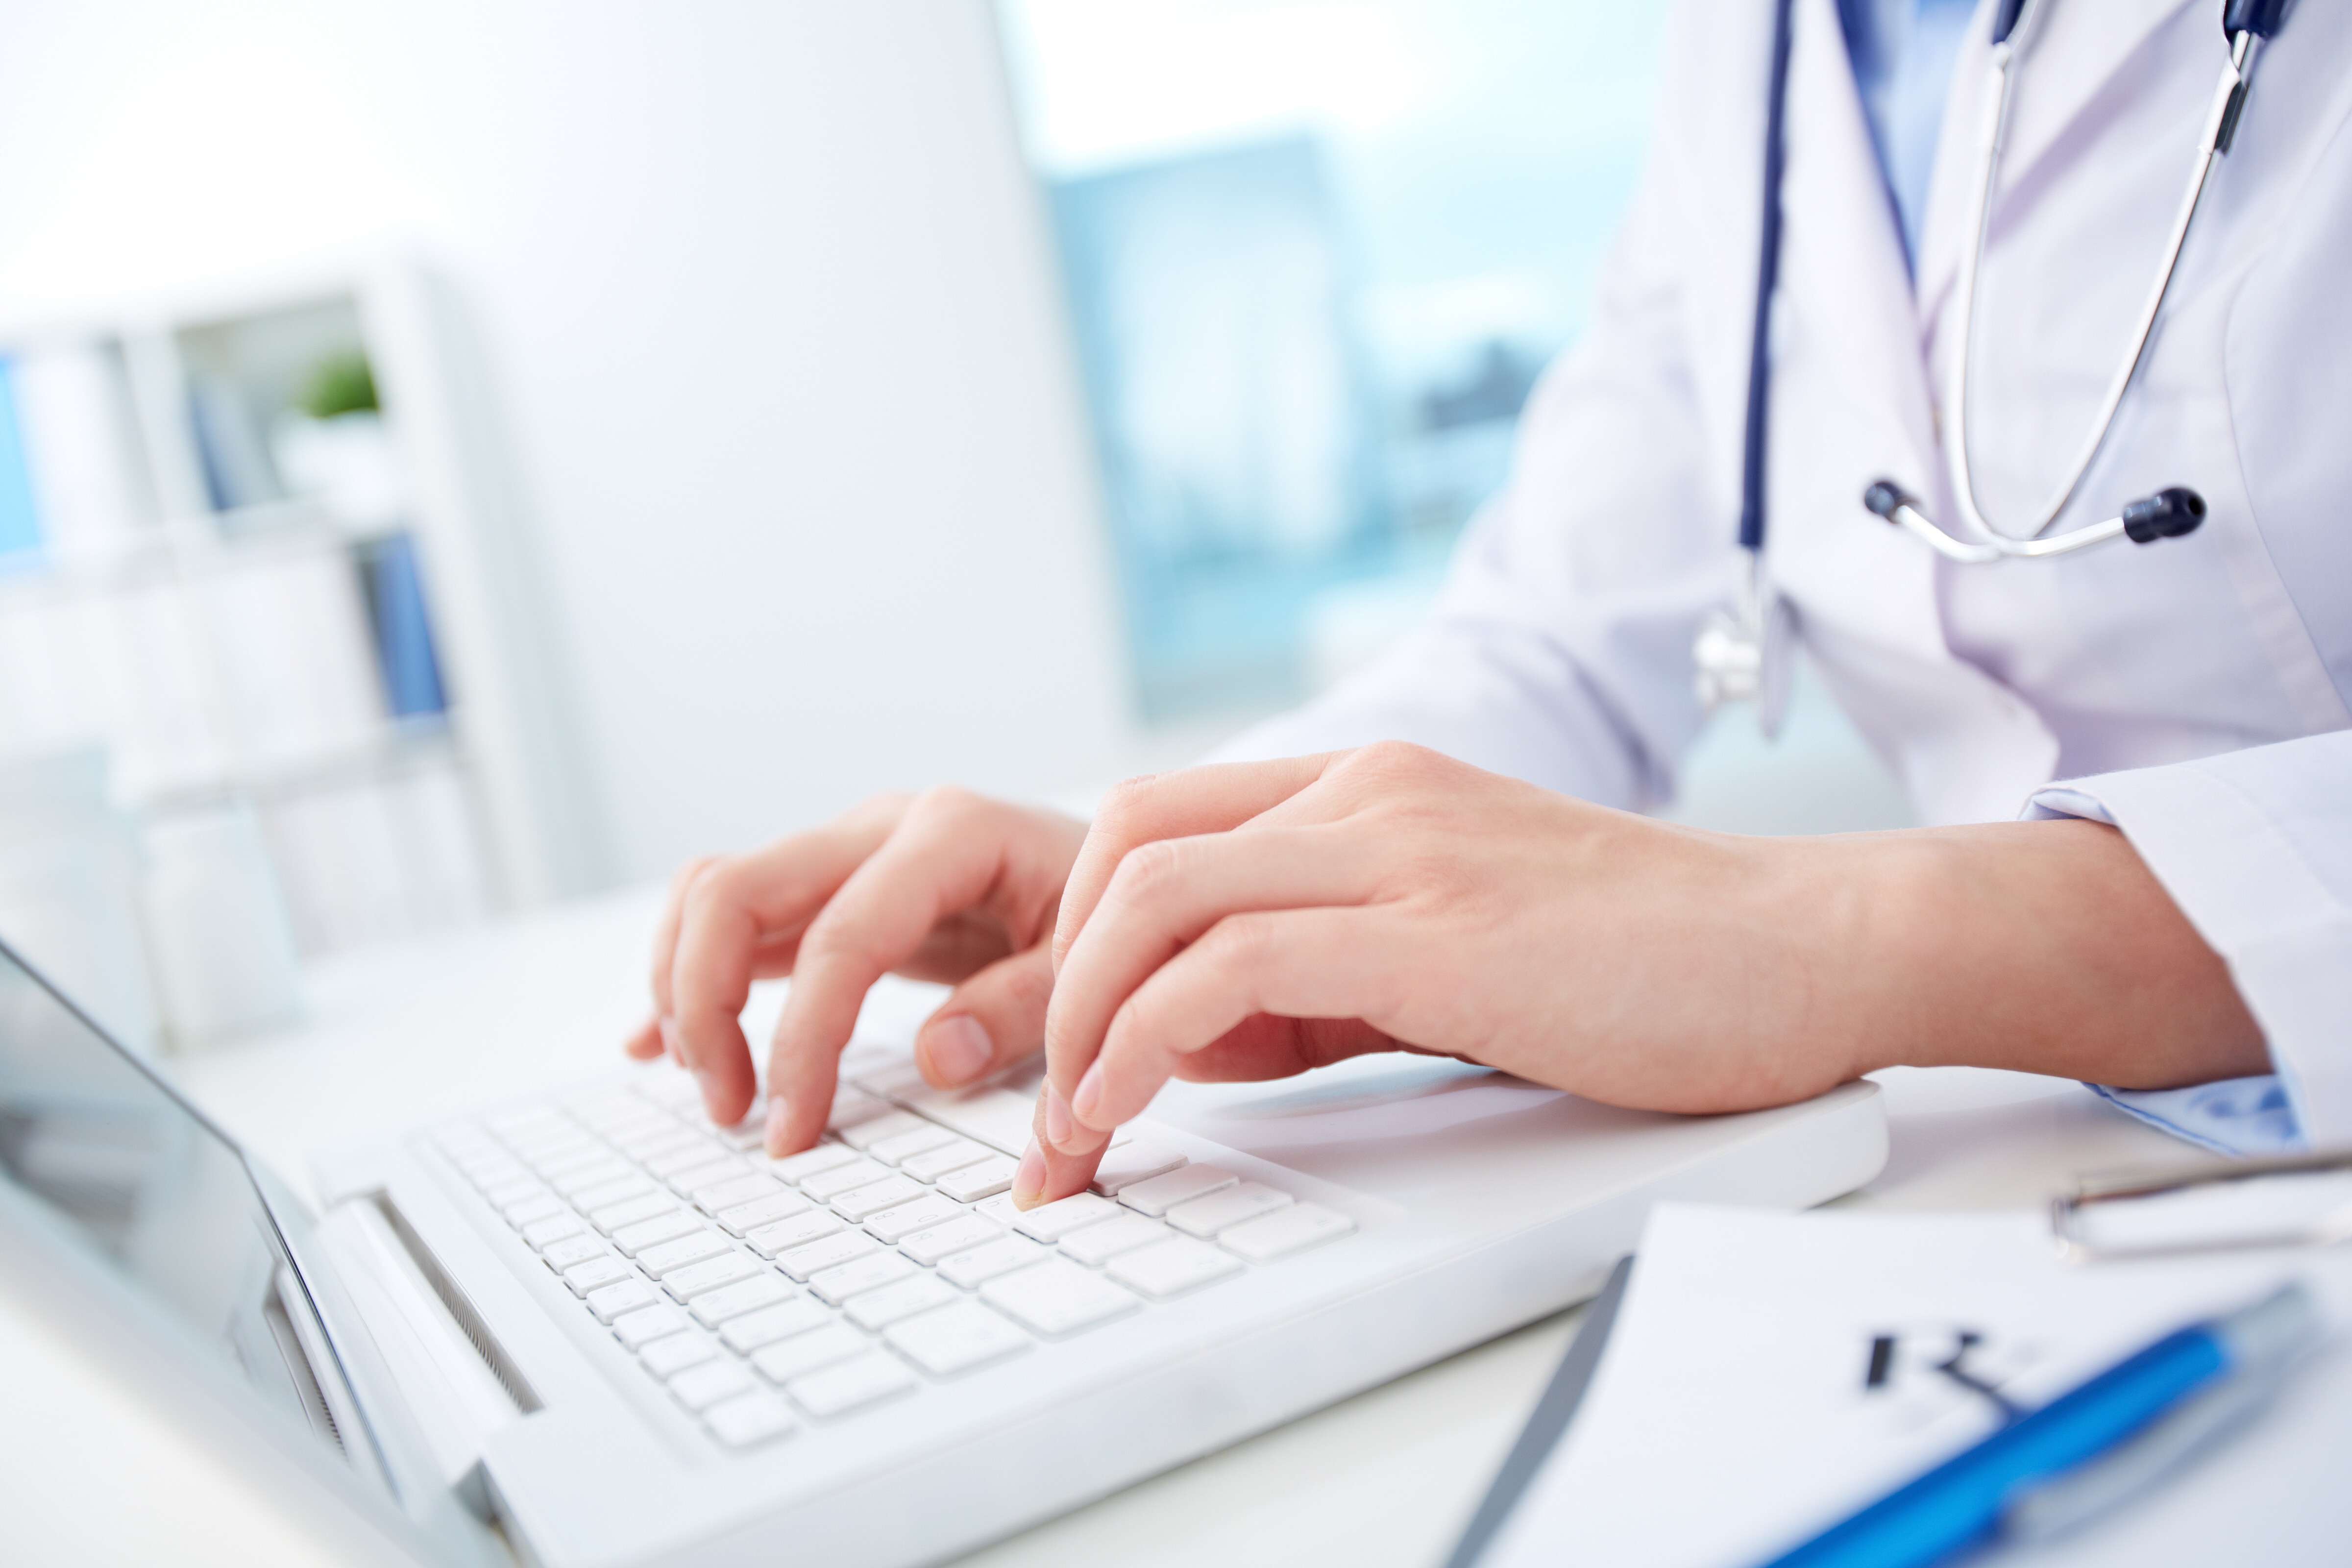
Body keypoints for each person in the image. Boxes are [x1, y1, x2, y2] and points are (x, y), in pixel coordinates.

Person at [628, 0, 2351, 1210]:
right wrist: (1171, 872)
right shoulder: (1756, 44)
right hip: (2032, 1172)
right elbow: (1556, 635)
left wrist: (1826, 940)